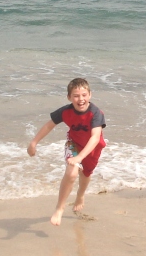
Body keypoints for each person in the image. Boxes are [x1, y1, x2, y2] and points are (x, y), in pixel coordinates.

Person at [28, 78, 106, 225]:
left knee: (86, 174)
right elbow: (48, 126)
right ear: (69, 97)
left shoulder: (96, 113)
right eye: (76, 96)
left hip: (93, 148)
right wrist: (34, 142)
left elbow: (95, 138)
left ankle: (80, 195)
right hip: (74, 144)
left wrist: (82, 157)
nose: (80, 99)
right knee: (71, 173)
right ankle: (59, 208)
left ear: (90, 95)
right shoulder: (65, 111)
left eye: (84, 95)